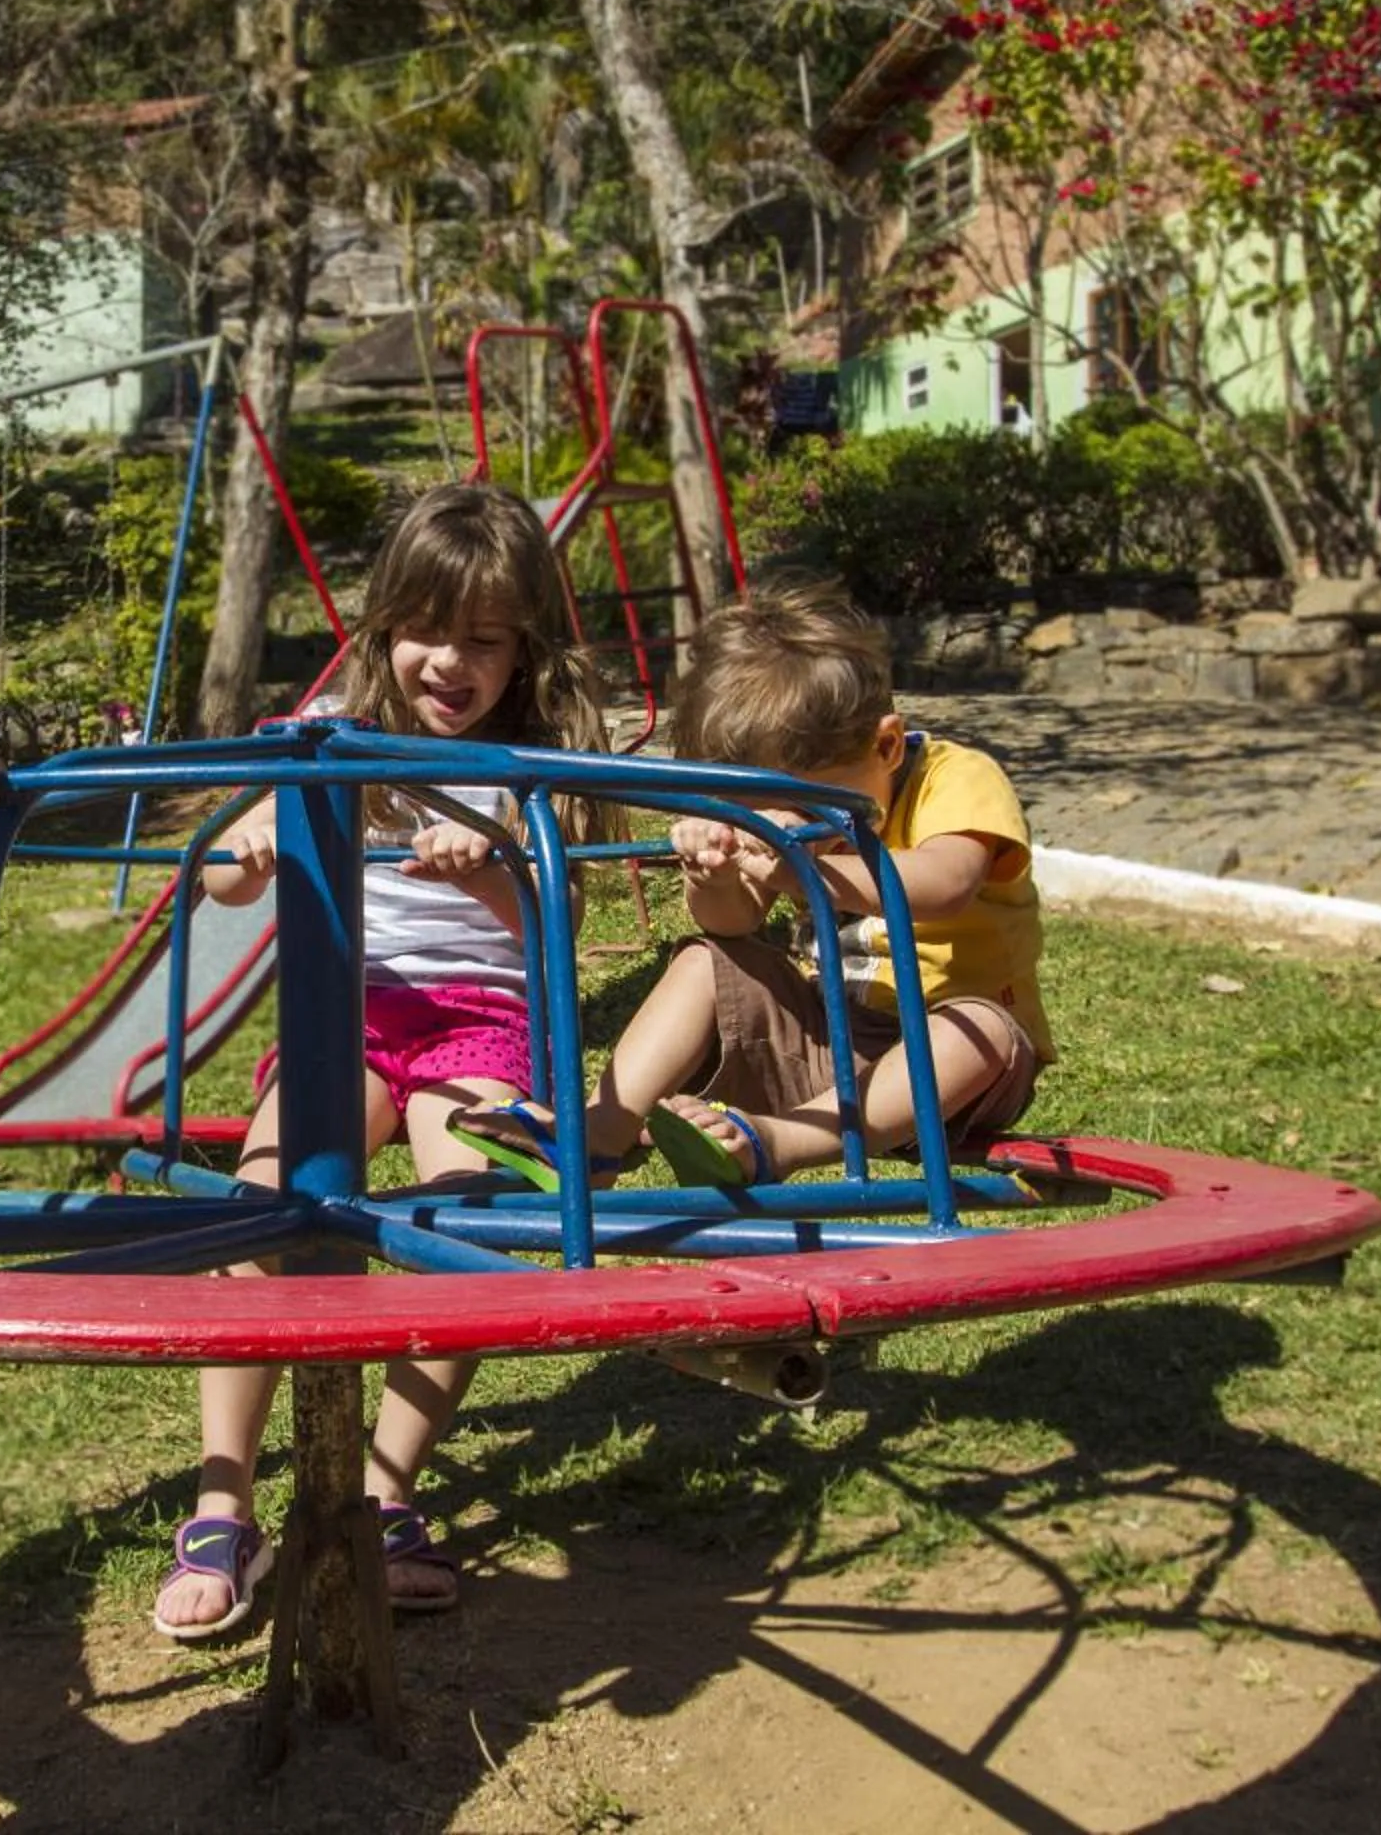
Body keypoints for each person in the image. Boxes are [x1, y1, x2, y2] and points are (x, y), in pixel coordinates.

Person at [151, 483, 617, 1642]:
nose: (449, 661)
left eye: (484, 639)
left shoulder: (528, 764)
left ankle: (385, 1486)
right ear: (381, 631)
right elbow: (215, 873)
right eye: (426, 628)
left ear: (525, 650)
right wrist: (246, 854)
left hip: (480, 1022)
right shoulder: (332, 739)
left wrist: (494, 864)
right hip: (349, 1007)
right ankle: (222, 1503)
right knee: (265, 1207)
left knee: (467, 1225)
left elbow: (553, 923)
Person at [455, 576, 1051, 1190]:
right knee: (703, 960)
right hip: (825, 1042)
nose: (778, 826)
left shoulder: (954, 778)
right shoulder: (792, 811)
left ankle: (779, 1142)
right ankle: (597, 1134)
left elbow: (946, 882)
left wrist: (808, 871)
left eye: (797, 806)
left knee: (978, 1029)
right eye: (748, 807)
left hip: (953, 1070)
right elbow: (734, 924)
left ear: (888, 745)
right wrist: (713, 878)